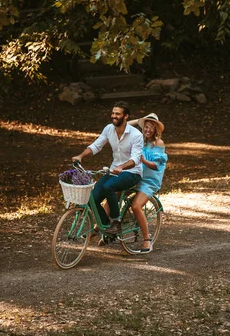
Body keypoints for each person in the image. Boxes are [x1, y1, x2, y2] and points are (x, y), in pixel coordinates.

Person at [72, 101, 143, 235]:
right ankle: (106, 226)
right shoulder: (109, 129)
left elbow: (135, 159)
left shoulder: (136, 135)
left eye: (117, 114)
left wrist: (122, 166)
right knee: (91, 199)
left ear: (126, 116)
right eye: (113, 113)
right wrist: (80, 156)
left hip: (132, 173)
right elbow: (96, 146)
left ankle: (116, 222)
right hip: (114, 171)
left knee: (108, 186)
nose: (114, 116)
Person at [128, 113, 168, 253]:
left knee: (136, 206)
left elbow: (156, 165)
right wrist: (139, 121)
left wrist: (143, 161)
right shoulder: (140, 140)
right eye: (146, 127)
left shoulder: (158, 143)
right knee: (114, 190)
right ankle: (100, 229)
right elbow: (124, 125)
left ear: (155, 129)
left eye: (151, 127)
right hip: (137, 176)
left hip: (149, 181)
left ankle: (147, 239)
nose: (148, 130)